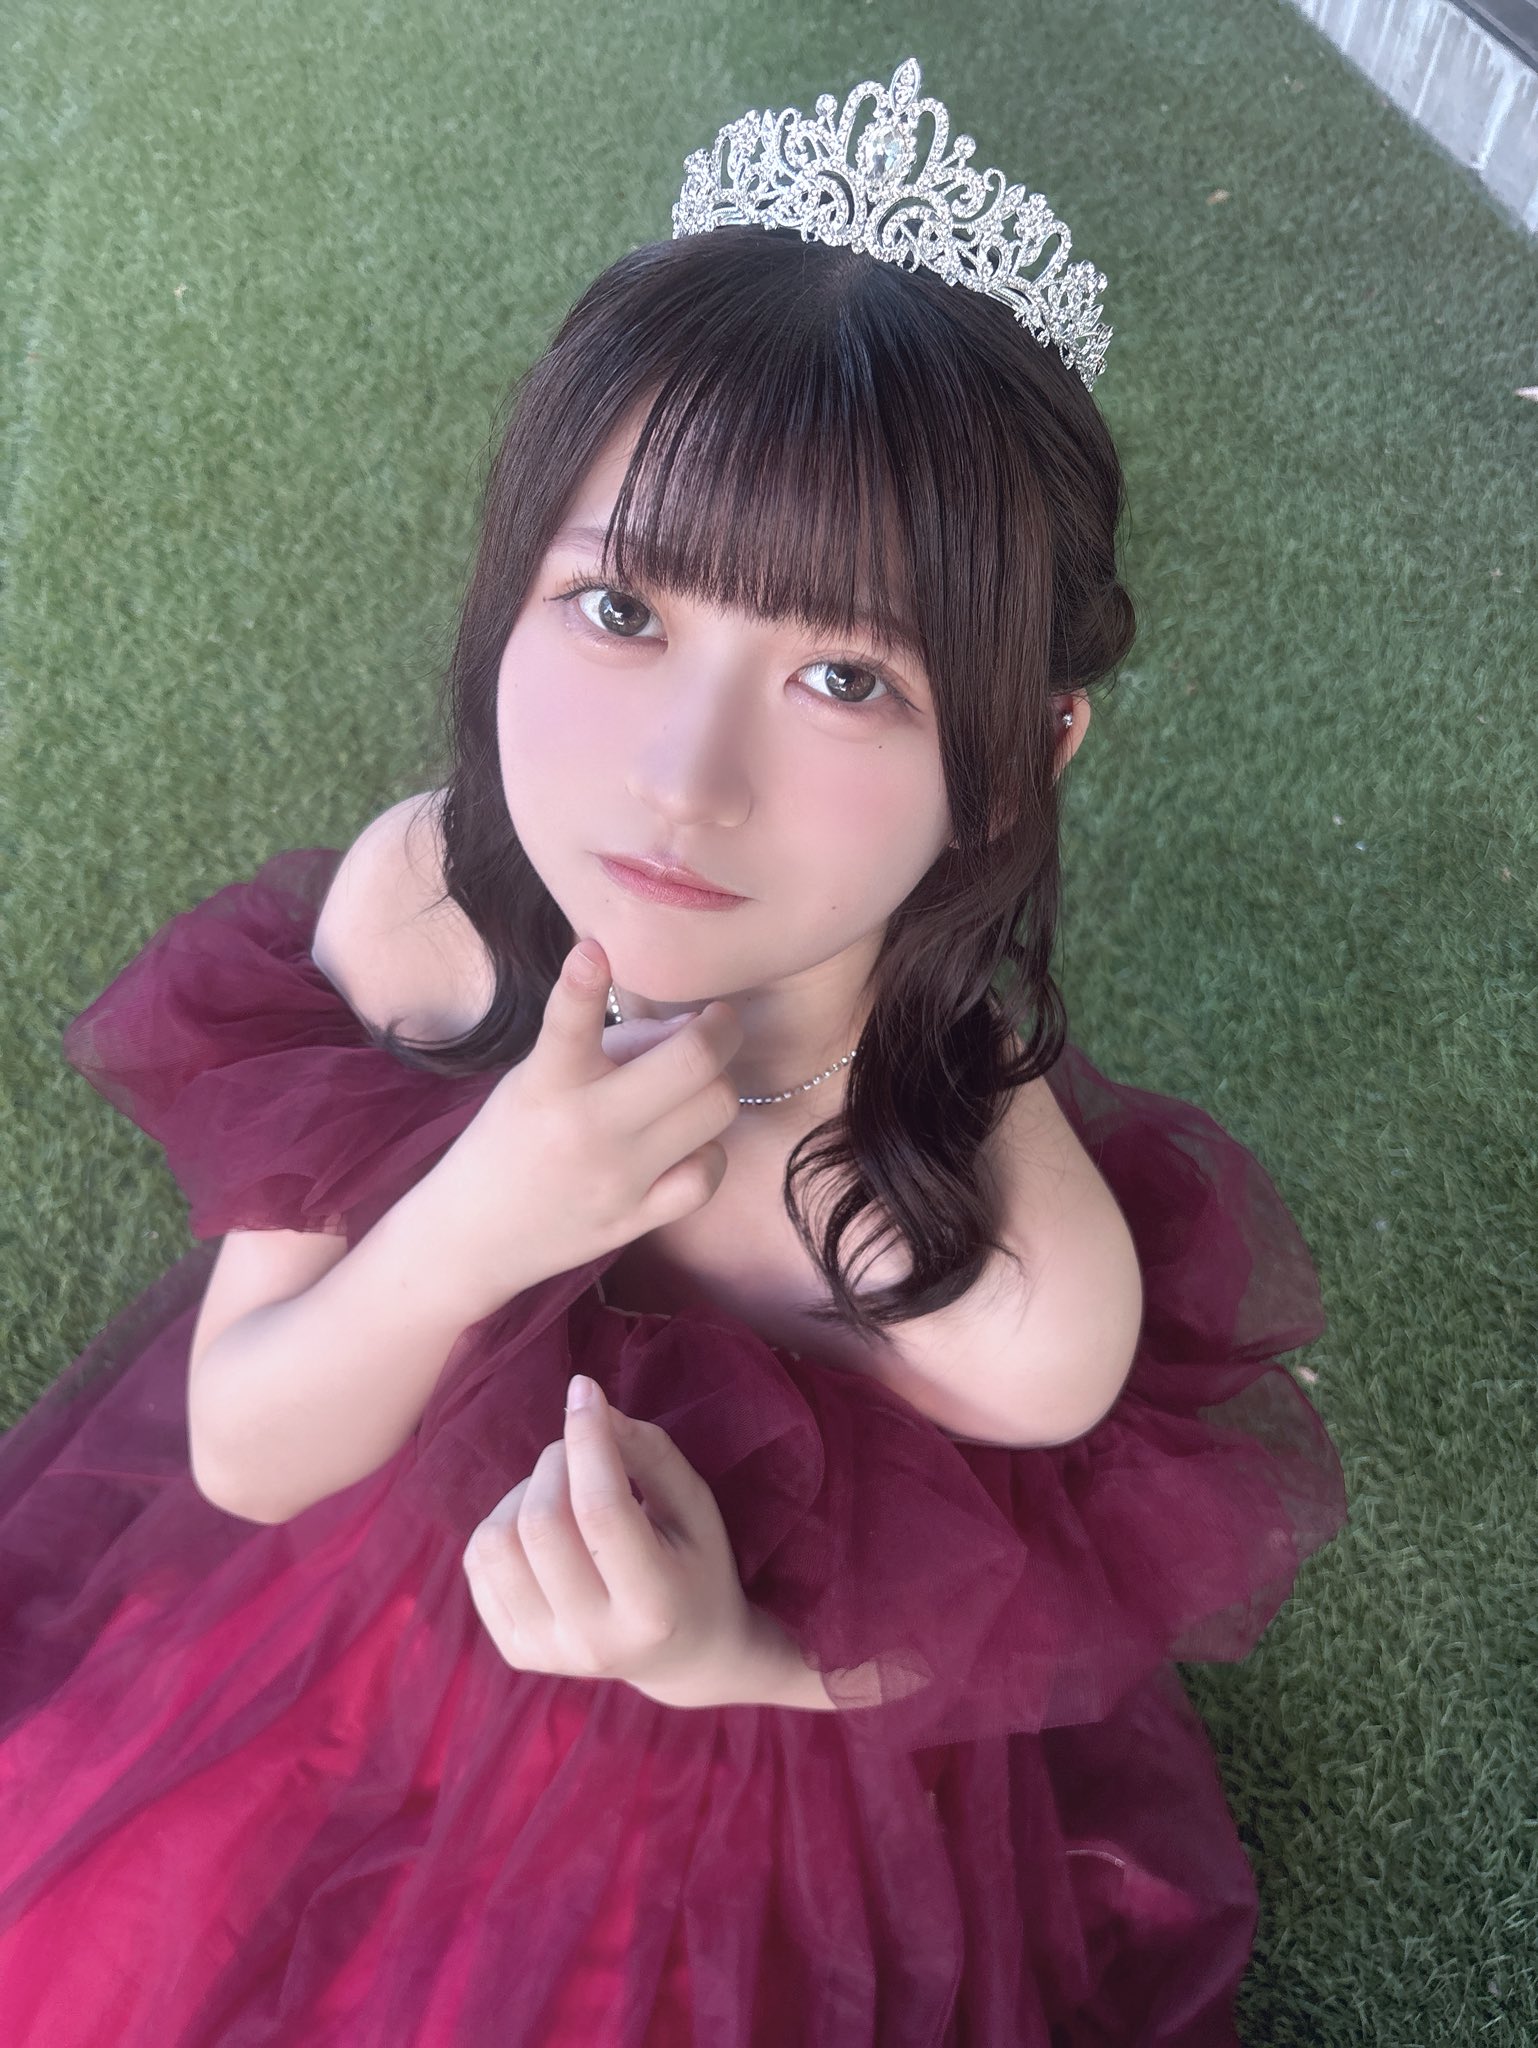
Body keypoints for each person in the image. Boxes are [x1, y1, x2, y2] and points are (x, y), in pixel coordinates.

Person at [0, 56, 1348, 2047]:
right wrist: (471, 1226)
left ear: (1020, 751)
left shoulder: (994, 1280)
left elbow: (985, 1644)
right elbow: (251, 1450)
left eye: (843, 672)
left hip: (717, 1815)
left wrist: (728, 1656)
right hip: (335, 1631)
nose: (678, 776)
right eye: (619, 603)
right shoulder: (423, 916)